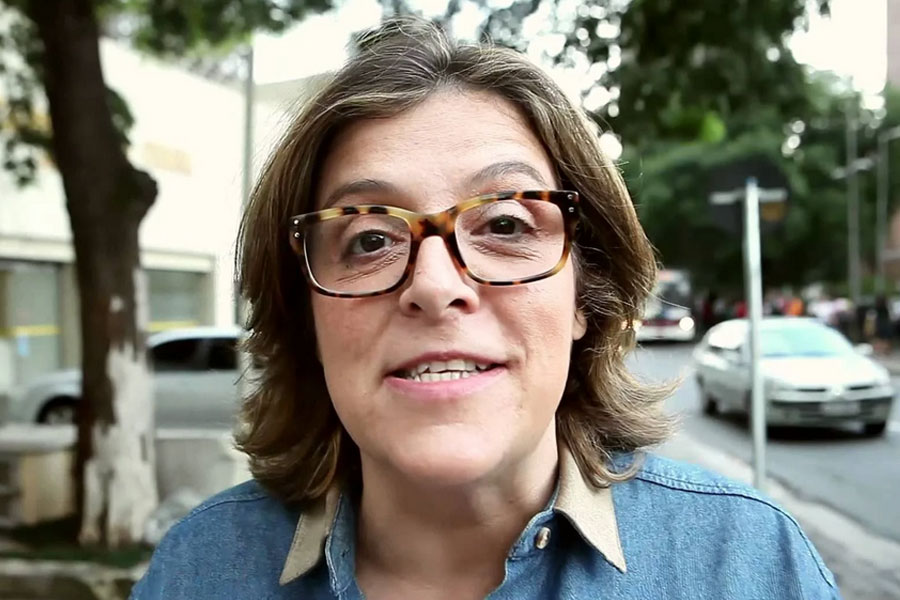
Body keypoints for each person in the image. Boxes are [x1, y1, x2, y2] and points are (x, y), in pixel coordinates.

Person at [131, 18, 840, 600]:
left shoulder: (748, 565)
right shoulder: (201, 572)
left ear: (585, 294)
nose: (435, 284)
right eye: (370, 238)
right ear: (306, 313)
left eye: (505, 224)